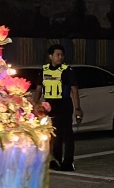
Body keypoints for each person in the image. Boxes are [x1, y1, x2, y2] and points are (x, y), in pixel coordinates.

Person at [33, 43, 82, 171]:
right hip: (49, 104)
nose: (60, 57)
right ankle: (55, 160)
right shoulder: (44, 70)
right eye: (57, 55)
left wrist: (77, 108)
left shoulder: (67, 71)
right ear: (51, 56)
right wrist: (34, 104)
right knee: (53, 134)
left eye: (62, 55)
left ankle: (68, 162)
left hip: (64, 103)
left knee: (67, 134)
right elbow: (39, 89)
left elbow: (74, 89)